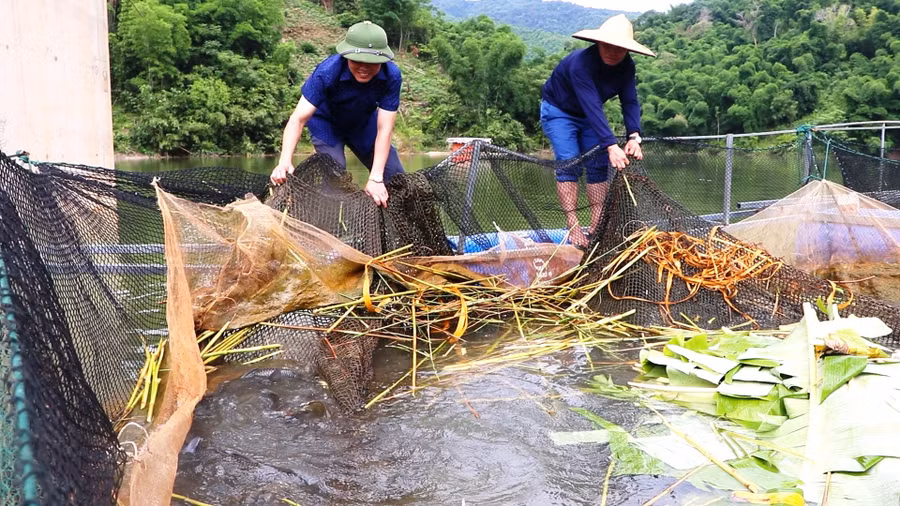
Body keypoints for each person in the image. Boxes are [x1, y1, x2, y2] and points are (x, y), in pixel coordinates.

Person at [540, 14, 656, 248]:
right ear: (598, 42)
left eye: (620, 48)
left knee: (597, 165)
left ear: (627, 50)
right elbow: (591, 103)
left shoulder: (626, 67)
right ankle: (573, 227)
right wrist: (612, 145)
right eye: (608, 45)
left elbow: (630, 100)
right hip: (559, 111)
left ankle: (597, 225)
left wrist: (634, 135)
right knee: (569, 162)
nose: (613, 52)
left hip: (589, 116)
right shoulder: (580, 64)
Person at [270, 21, 403, 208]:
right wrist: (284, 162)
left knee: (396, 175)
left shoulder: (392, 75)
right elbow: (297, 119)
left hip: (362, 124)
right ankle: (331, 231)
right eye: (357, 60)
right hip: (326, 125)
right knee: (335, 177)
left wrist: (376, 178)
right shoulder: (326, 72)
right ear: (346, 55)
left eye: (372, 62)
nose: (364, 67)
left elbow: (385, 128)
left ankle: (399, 233)